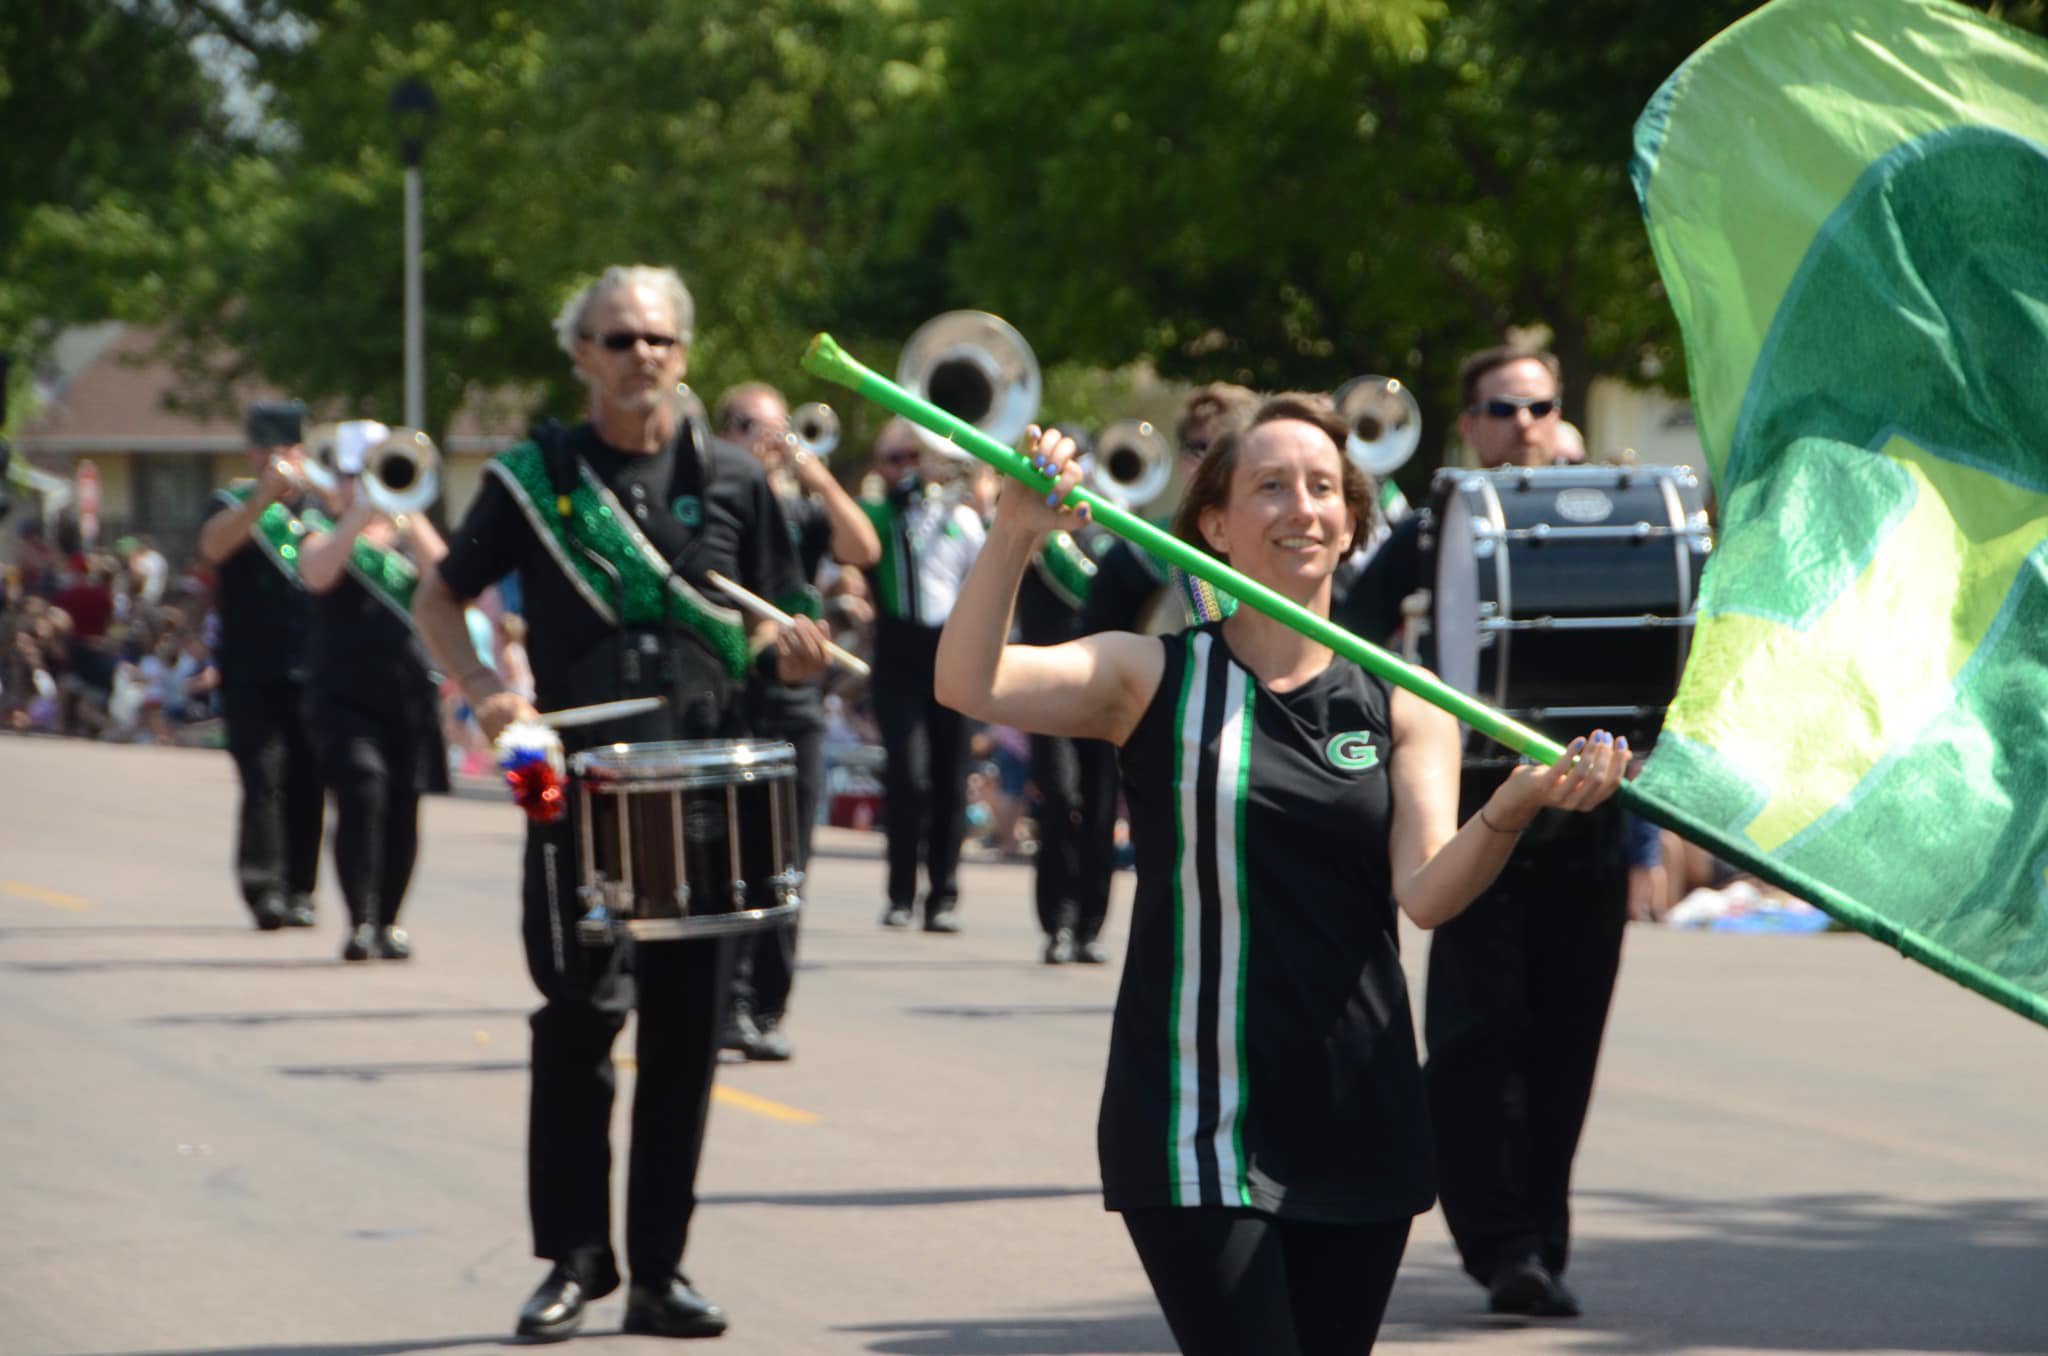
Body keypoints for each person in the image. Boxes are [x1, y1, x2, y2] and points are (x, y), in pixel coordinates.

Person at [934, 398, 1626, 1355]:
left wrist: (1511, 806)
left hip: (1361, 1119)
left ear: (1349, 523)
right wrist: (1013, 532)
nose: (1302, 506)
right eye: (1270, 486)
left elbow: (1426, 894)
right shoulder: (1149, 676)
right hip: (1193, 1121)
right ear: (1214, 524)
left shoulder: (1408, 700)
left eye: (1323, 488)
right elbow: (970, 684)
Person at [413, 264, 827, 1343]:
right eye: (614, 338)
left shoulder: (738, 480)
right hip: (575, 788)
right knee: (576, 1025)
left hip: (702, 791)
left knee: (687, 1040)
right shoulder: (533, 481)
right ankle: (572, 1261)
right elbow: (439, 597)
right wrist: (486, 693)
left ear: (683, 353)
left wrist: (794, 657)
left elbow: (787, 631)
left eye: (654, 338)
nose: (637, 355)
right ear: (579, 355)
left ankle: (659, 1272)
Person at [1336, 344, 1629, 1317]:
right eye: (1500, 409)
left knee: (1563, 1046)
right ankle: (1504, 1246)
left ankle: (1539, 1238)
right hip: (1470, 827)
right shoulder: (1422, 539)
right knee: (1475, 1043)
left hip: (1585, 825)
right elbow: (1350, 651)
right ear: (1466, 424)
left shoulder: (1613, 526)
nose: (1522, 423)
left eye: (1537, 406)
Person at [713, 381, 880, 1061]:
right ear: (727, 434)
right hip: (729, 698)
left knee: (786, 864)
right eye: (755, 426)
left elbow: (862, 547)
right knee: (727, 857)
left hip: (796, 705)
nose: (771, 440)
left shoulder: (801, 510)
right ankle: (720, 1003)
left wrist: (815, 473)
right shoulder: (716, 505)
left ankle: (764, 1007)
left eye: (780, 428)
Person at [295, 423, 449, 962]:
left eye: (366, 474)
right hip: (340, 692)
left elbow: (451, 581)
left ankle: (390, 921)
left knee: (404, 806)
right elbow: (317, 574)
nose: (357, 484)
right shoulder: (315, 528)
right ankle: (360, 920)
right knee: (362, 790)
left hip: (407, 693)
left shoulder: (413, 536)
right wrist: (358, 518)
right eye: (348, 475)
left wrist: (409, 511)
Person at [195, 401, 325, 930]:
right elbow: (213, 548)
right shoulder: (231, 503)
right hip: (250, 668)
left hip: (314, 665)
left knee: (309, 779)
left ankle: (300, 888)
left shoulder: (319, 509)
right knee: (262, 777)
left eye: (289, 450)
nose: (281, 460)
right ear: (253, 454)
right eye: (270, 451)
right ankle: (263, 888)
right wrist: (262, 498)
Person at [859, 417, 987, 932]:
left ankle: (944, 895)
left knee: (950, 781)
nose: (907, 469)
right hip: (898, 655)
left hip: (949, 652)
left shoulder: (961, 517)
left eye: (915, 457)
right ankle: (899, 894)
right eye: (895, 459)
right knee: (907, 776)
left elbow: (982, 587)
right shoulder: (877, 517)